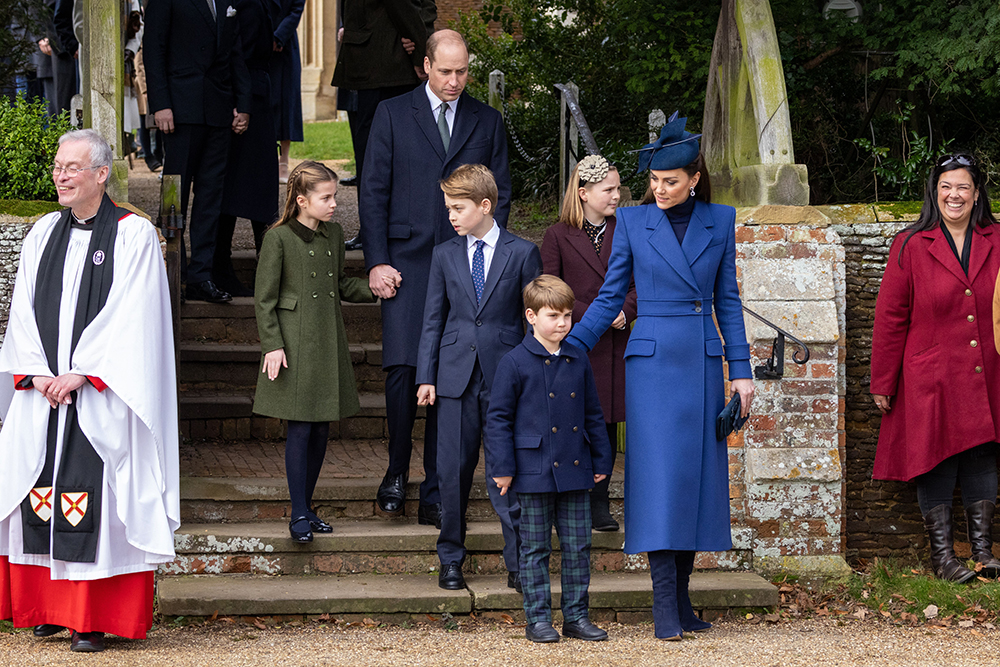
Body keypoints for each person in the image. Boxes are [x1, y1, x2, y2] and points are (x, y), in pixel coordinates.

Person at [564, 113, 754, 640]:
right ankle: (664, 606)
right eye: (654, 181)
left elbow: (728, 301)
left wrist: (741, 373)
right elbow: (608, 297)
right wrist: (569, 347)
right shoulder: (632, 222)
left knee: (693, 482)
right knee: (658, 483)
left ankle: (684, 602)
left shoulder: (721, 219)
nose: (659, 189)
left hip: (700, 362)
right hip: (649, 368)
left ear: (694, 179)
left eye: (670, 182)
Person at [0, 129, 179, 653]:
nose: (60, 174)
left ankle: (92, 618)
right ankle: (47, 610)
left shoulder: (134, 235)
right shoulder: (41, 234)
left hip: (102, 395)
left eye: (72, 167)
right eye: (58, 166)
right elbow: (24, 313)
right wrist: (35, 373)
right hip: (44, 393)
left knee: (97, 498)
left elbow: (135, 316)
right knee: (40, 491)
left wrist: (82, 373)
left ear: (102, 175)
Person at [361, 29, 511, 527]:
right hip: (406, 263)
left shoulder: (486, 121)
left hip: (463, 268)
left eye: (462, 71)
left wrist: (490, 262)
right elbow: (373, 190)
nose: (454, 81)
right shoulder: (391, 114)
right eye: (445, 71)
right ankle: (396, 471)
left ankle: (437, 485)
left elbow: (501, 196)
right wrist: (377, 260)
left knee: (451, 378)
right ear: (425, 65)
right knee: (404, 372)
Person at [873, 153, 1000, 582]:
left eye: (963, 186)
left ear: (977, 193)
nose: (954, 195)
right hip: (930, 373)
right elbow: (890, 317)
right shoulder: (910, 244)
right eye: (946, 187)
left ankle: (983, 554)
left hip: (986, 369)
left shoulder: (998, 239)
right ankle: (944, 559)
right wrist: (883, 380)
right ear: (934, 192)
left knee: (983, 454)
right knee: (935, 459)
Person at [415, 164, 540, 591]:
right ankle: (450, 558)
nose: (450, 215)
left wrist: (534, 375)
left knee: (507, 471)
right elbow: (433, 319)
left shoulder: (522, 253)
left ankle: (520, 562)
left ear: (485, 206)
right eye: (447, 207)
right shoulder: (444, 254)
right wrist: (425, 376)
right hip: (453, 378)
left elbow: (532, 323)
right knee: (451, 473)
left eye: (458, 207)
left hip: (505, 378)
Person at [253, 161, 377, 543]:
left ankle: (306, 508)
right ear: (302, 200)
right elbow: (265, 300)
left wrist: (379, 289)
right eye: (326, 198)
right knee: (301, 429)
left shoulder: (333, 235)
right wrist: (272, 345)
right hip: (292, 345)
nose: (334, 204)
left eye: (335, 196)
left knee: (321, 428)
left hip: (327, 341)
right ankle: (298, 514)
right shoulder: (278, 239)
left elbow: (341, 284)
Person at [486, 274, 613, 643]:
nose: (562, 324)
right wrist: (503, 469)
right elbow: (498, 420)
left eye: (568, 316)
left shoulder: (578, 357)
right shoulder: (514, 361)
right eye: (553, 316)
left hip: (575, 467)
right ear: (531, 315)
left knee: (578, 546)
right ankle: (538, 619)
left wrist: (601, 460)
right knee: (535, 548)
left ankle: (576, 616)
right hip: (532, 470)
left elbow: (593, 412)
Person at [541, 154, 635, 531]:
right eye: (608, 189)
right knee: (568, 424)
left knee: (606, 427)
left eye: (617, 188)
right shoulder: (557, 235)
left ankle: (600, 504)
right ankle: (566, 501)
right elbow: (549, 286)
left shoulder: (626, 228)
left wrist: (625, 310)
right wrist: (593, 313)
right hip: (575, 341)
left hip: (616, 346)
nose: (616, 196)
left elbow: (639, 282)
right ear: (583, 193)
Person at [143, 0, 252, 303]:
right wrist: (160, 104)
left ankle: (201, 276)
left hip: (218, 112)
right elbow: (153, 49)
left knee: (211, 198)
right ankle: (170, 271)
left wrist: (243, 105)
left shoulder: (227, 2)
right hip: (178, 111)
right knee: (172, 195)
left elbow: (235, 54)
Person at [214, 0, 279, 296]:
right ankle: (222, 266)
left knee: (259, 188)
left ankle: (268, 269)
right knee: (235, 185)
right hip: (243, 94)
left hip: (258, 93)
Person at [267, 0, 303, 184]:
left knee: (287, 104)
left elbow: (296, 9)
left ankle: (284, 163)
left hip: (286, 47)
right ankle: (266, 160)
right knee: (265, 104)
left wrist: (280, 36)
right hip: (260, 43)